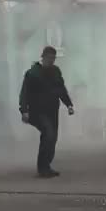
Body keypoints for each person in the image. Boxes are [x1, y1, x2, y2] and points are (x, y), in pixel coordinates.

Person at [19, 45, 75, 178]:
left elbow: (61, 89)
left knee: (52, 137)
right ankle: (42, 167)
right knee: (48, 134)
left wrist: (68, 105)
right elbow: (25, 93)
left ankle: (46, 166)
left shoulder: (56, 71)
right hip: (37, 111)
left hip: (52, 110)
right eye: (49, 58)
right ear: (43, 57)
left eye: (53, 58)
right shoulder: (33, 73)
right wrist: (24, 110)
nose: (51, 61)